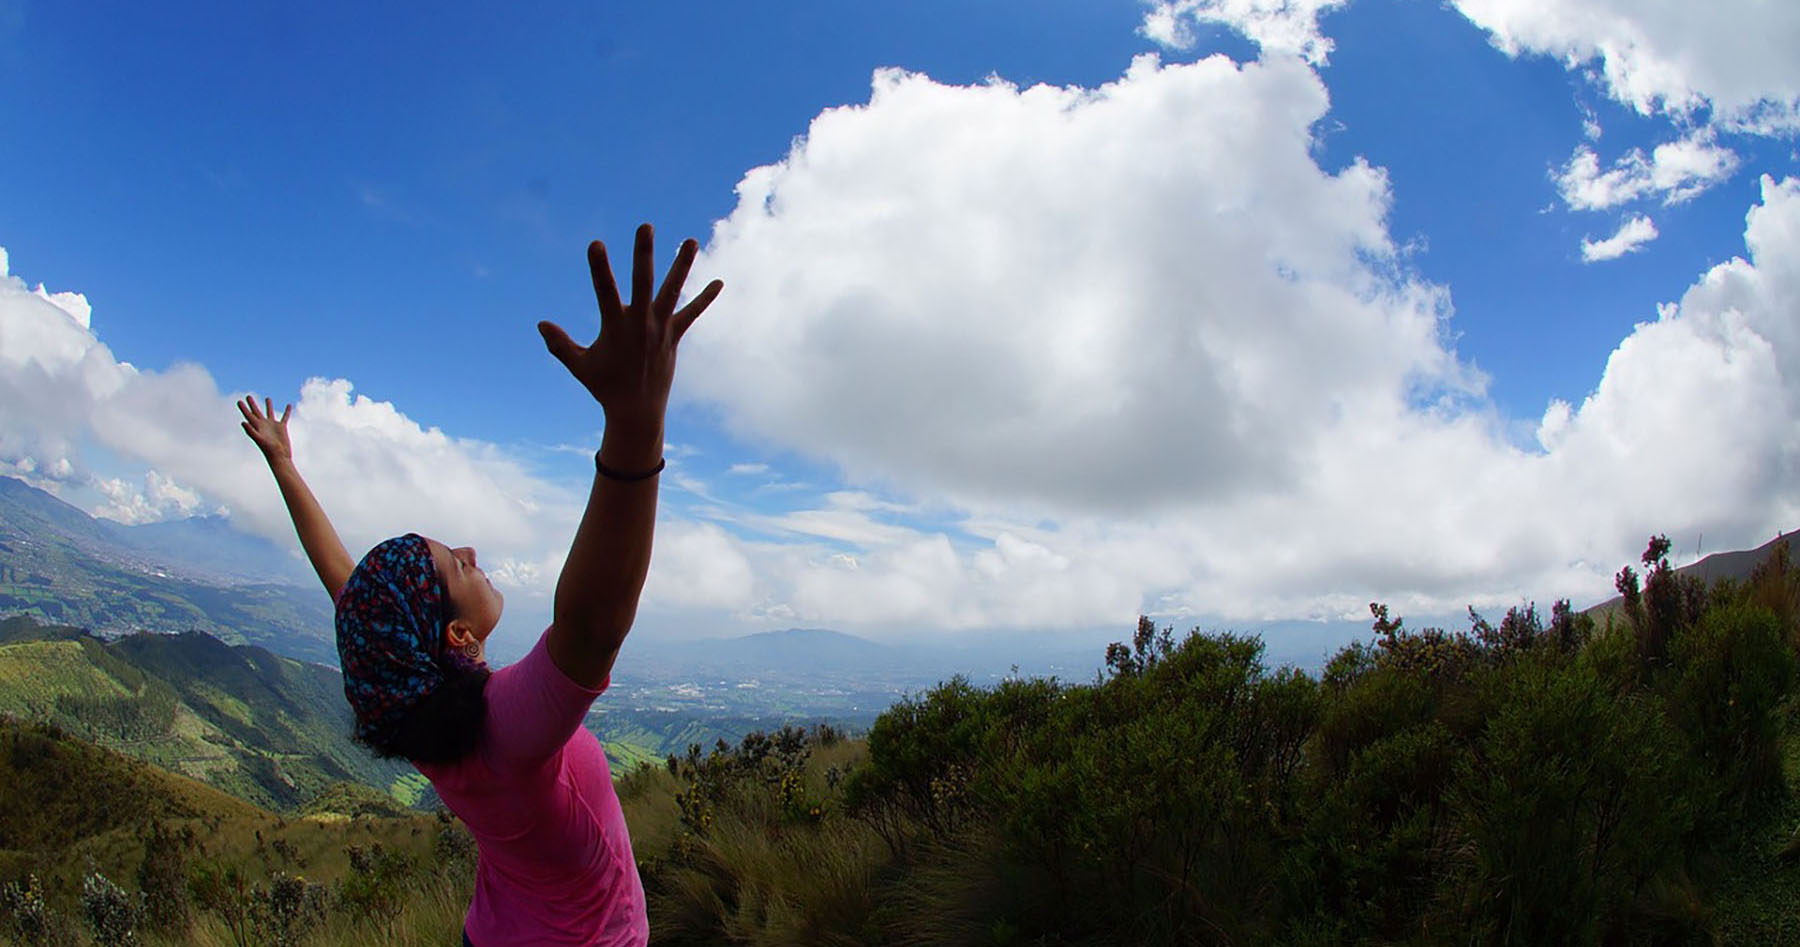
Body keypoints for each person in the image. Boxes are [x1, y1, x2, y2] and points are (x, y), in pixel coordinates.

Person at [239, 225, 723, 946]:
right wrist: (635, 419)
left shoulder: (417, 711)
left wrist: (285, 466)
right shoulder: (506, 728)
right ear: (457, 634)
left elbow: (353, 595)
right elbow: (591, 625)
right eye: (455, 564)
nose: (470, 549)